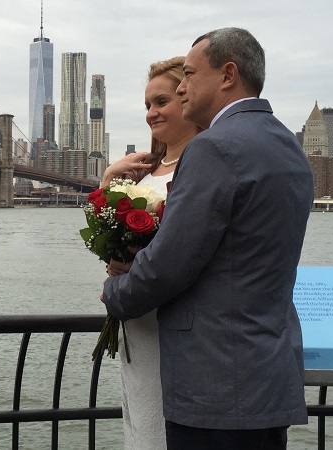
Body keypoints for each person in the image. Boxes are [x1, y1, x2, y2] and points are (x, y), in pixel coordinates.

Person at [101, 27, 313, 450]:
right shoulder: (287, 145)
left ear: (228, 75)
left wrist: (115, 292)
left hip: (213, 385)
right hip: (268, 377)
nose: (182, 86)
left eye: (191, 75)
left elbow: (167, 265)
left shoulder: (214, 147)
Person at [100, 56, 199, 450]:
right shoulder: (145, 170)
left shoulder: (201, 166)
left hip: (168, 323)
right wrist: (109, 180)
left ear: (187, 97)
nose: (152, 114)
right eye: (147, 105)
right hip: (134, 321)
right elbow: (106, 233)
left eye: (162, 102)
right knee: (139, 422)